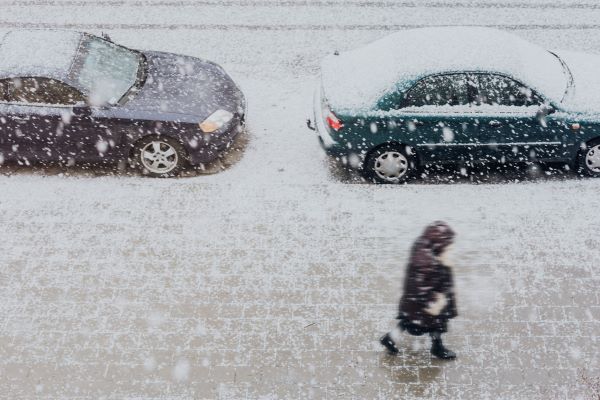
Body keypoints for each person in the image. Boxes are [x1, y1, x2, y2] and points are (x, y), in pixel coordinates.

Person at [380, 221, 458, 360]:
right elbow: (421, 286)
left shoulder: (426, 247)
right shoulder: (425, 261)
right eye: (448, 245)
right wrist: (434, 302)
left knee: (409, 321)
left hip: (414, 302)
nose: (450, 248)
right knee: (435, 323)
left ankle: (390, 338)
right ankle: (437, 347)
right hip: (425, 302)